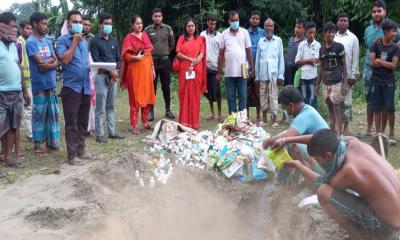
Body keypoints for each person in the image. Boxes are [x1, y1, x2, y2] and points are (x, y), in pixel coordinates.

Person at [285, 129, 400, 240]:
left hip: (386, 229)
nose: (318, 163)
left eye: (318, 160)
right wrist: (286, 140)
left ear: (328, 156)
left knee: (323, 193)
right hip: (395, 217)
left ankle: (359, 237)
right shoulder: (351, 141)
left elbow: (318, 183)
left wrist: (297, 165)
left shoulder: (346, 172)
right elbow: (320, 139)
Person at [262, 86, 328, 174]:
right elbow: (289, 132)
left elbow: (287, 137)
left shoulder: (304, 116)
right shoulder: (307, 109)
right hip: (323, 156)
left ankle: (280, 181)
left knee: (289, 144)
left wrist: (268, 141)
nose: (284, 111)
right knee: (286, 141)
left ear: (291, 106)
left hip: (324, 164)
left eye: (284, 108)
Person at [360, 0, 400, 139]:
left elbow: (396, 44)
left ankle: (383, 131)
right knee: (370, 99)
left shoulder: (393, 28)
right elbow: (368, 45)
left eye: (379, 11)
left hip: (386, 72)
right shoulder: (368, 29)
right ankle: (370, 129)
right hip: (369, 69)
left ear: (385, 12)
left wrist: (386, 57)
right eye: (374, 11)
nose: (376, 14)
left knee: (385, 103)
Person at [56, 10, 91, 165]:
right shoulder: (62, 40)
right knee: (72, 123)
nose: (78, 24)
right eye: (75, 22)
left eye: (80, 22)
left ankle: (81, 150)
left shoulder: (85, 41)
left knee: (83, 121)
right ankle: (72, 155)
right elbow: (64, 60)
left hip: (85, 87)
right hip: (71, 88)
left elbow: (86, 64)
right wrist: (74, 42)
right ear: (68, 23)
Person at [26, 12, 60, 155]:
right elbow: (40, 63)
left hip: (51, 83)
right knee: (39, 115)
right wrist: (52, 63)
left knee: (53, 114)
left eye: (46, 24)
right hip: (39, 85)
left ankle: (52, 143)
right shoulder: (31, 42)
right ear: (34, 24)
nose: (46, 27)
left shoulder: (46, 41)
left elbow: (56, 61)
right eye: (43, 24)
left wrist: (51, 64)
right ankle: (38, 146)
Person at [0, 12, 31, 168]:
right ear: (2, 27)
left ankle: (8, 157)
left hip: (16, 92)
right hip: (1, 93)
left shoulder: (15, 46)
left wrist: (25, 91)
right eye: (12, 27)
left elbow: (19, 67)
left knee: (13, 127)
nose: (14, 31)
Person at [90, 13, 124, 143]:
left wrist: (115, 73)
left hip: (113, 78)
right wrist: (112, 73)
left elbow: (118, 59)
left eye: (110, 24)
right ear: (100, 24)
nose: (108, 26)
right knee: (100, 106)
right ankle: (100, 135)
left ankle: (112, 132)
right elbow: (97, 60)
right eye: (106, 23)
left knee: (111, 106)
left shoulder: (114, 40)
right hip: (101, 77)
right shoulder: (94, 41)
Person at [120, 15, 156, 134]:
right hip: (135, 72)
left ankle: (145, 122)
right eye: (137, 23)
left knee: (146, 96)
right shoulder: (129, 38)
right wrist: (135, 57)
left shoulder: (145, 35)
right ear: (132, 25)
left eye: (141, 23)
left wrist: (152, 68)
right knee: (136, 98)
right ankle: (133, 125)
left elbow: (149, 53)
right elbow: (125, 56)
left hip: (146, 71)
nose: (139, 25)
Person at [217, 10, 254, 114]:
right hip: (229, 71)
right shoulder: (224, 34)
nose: (235, 22)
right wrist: (219, 72)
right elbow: (221, 54)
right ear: (229, 21)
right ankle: (233, 119)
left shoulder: (244, 32)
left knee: (243, 96)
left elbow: (249, 52)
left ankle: (242, 119)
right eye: (233, 20)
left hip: (243, 70)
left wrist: (252, 68)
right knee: (231, 97)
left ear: (239, 20)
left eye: (237, 20)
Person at [370, 20, 399, 144]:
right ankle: (379, 133)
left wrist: (380, 61)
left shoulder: (395, 48)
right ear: (386, 32)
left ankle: (391, 133)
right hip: (376, 81)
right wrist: (379, 62)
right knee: (377, 108)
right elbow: (372, 63)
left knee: (389, 108)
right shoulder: (375, 44)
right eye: (393, 31)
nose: (396, 34)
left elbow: (393, 65)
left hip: (389, 82)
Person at [316, 22, 347, 136]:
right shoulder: (322, 49)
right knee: (329, 105)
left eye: (333, 32)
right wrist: (317, 84)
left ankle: (339, 133)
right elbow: (321, 68)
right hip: (326, 82)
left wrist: (344, 83)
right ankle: (332, 130)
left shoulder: (339, 47)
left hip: (337, 82)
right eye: (329, 32)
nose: (331, 34)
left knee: (337, 107)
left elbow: (344, 66)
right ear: (324, 34)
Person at [145, 8, 175, 121]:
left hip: (165, 61)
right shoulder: (147, 30)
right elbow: (145, 45)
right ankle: (150, 112)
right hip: (151, 62)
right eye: (155, 16)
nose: (157, 18)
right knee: (152, 88)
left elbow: (172, 44)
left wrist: (164, 52)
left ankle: (168, 110)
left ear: (162, 17)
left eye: (159, 16)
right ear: (152, 17)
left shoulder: (168, 29)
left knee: (166, 87)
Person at [175, 18, 206, 129]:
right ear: (185, 27)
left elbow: (202, 52)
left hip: (197, 69)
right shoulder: (181, 38)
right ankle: (183, 122)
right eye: (188, 26)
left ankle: (194, 123)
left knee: (195, 96)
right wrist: (190, 59)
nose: (191, 28)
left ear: (195, 27)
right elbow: (178, 52)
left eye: (192, 26)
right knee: (183, 95)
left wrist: (197, 59)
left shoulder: (200, 39)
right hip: (184, 69)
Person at [255, 18, 284, 126]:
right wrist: (257, 77)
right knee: (263, 95)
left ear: (273, 27)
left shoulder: (278, 40)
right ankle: (265, 120)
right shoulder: (260, 42)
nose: (269, 28)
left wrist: (281, 75)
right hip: (262, 74)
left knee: (273, 95)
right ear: (264, 27)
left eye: (270, 26)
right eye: (267, 26)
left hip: (274, 73)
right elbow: (257, 60)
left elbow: (281, 59)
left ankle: (275, 120)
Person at [334, 13, 359, 136]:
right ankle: (336, 126)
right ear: (337, 23)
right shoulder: (333, 37)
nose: (343, 22)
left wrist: (353, 75)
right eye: (341, 20)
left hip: (348, 76)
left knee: (347, 101)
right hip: (335, 76)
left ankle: (346, 127)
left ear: (348, 23)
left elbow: (355, 57)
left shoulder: (353, 38)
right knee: (336, 101)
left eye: (345, 20)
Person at [200, 15, 223, 122]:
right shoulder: (202, 35)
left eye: (214, 24)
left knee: (217, 93)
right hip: (204, 67)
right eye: (211, 23)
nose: (213, 25)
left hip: (215, 68)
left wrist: (220, 71)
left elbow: (222, 54)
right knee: (208, 92)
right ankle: (212, 113)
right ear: (207, 23)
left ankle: (219, 114)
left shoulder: (220, 36)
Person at [295, 21, 320, 110]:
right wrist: (310, 60)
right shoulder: (302, 44)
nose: (312, 35)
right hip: (303, 77)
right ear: (306, 32)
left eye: (314, 32)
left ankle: (315, 118)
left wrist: (304, 61)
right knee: (305, 99)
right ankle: (305, 118)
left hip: (313, 77)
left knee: (313, 99)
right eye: (310, 32)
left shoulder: (317, 45)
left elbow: (316, 61)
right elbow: (297, 61)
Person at [247, 10, 264, 124]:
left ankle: (258, 115)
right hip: (246, 67)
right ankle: (246, 116)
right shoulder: (244, 32)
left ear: (259, 20)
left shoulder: (263, 33)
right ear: (250, 19)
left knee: (258, 92)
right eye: (253, 18)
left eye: (257, 19)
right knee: (246, 91)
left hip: (259, 67)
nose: (255, 20)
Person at [17, 20, 33, 140]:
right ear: (21, 29)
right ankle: (30, 133)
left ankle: (31, 130)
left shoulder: (27, 41)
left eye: (30, 29)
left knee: (31, 106)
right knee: (28, 107)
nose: (29, 31)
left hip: (30, 79)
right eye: (27, 28)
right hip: (24, 80)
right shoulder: (20, 42)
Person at [81, 16, 95, 136]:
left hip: (91, 73)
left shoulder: (93, 38)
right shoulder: (74, 38)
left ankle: (88, 127)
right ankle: (81, 126)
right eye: (84, 24)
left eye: (88, 25)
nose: (87, 27)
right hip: (79, 74)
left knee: (89, 101)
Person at [285, 18, 305, 86]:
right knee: (287, 91)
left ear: (304, 29)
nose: (296, 29)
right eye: (296, 27)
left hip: (297, 72)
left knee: (296, 93)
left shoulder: (304, 42)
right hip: (287, 71)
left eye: (299, 27)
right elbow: (288, 53)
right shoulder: (291, 39)